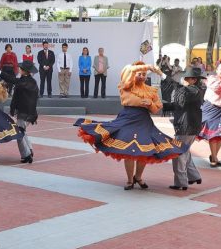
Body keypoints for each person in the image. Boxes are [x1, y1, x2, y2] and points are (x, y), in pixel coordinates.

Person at [74, 61, 187, 190]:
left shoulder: (151, 90)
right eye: (139, 73)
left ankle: (138, 177)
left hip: (144, 120)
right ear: (133, 74)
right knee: (129, 151)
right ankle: (129, 180)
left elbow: (156, 109)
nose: (142, 76)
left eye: (144, 74)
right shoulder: (126, 85)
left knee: (145, 150)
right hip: (127, 118)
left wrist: (150, 104)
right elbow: (128, 69)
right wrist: (149, 67)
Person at [161, 67, 206, 190]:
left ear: (193, 80)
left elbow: (179, 99)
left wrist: (177, 84)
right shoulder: (193, 90)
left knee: (178, 153)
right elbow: (178, 104)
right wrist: (160, 105)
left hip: (186, 127)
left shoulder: (192, 91)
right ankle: (193, 176)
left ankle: (180, 183)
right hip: (189, 126)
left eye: (187, 78)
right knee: (184, 151)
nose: (184, 80)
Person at [0, 60, 39, 163]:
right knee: (22, 131)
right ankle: (29, 150)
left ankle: (26, 155)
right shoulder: (29, 81)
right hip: (28, 112)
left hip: (25, 112)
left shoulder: (25, 81)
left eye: (21, 68)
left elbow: (11, 79)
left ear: (25, 71)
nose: (19, 69)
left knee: (19, 133)